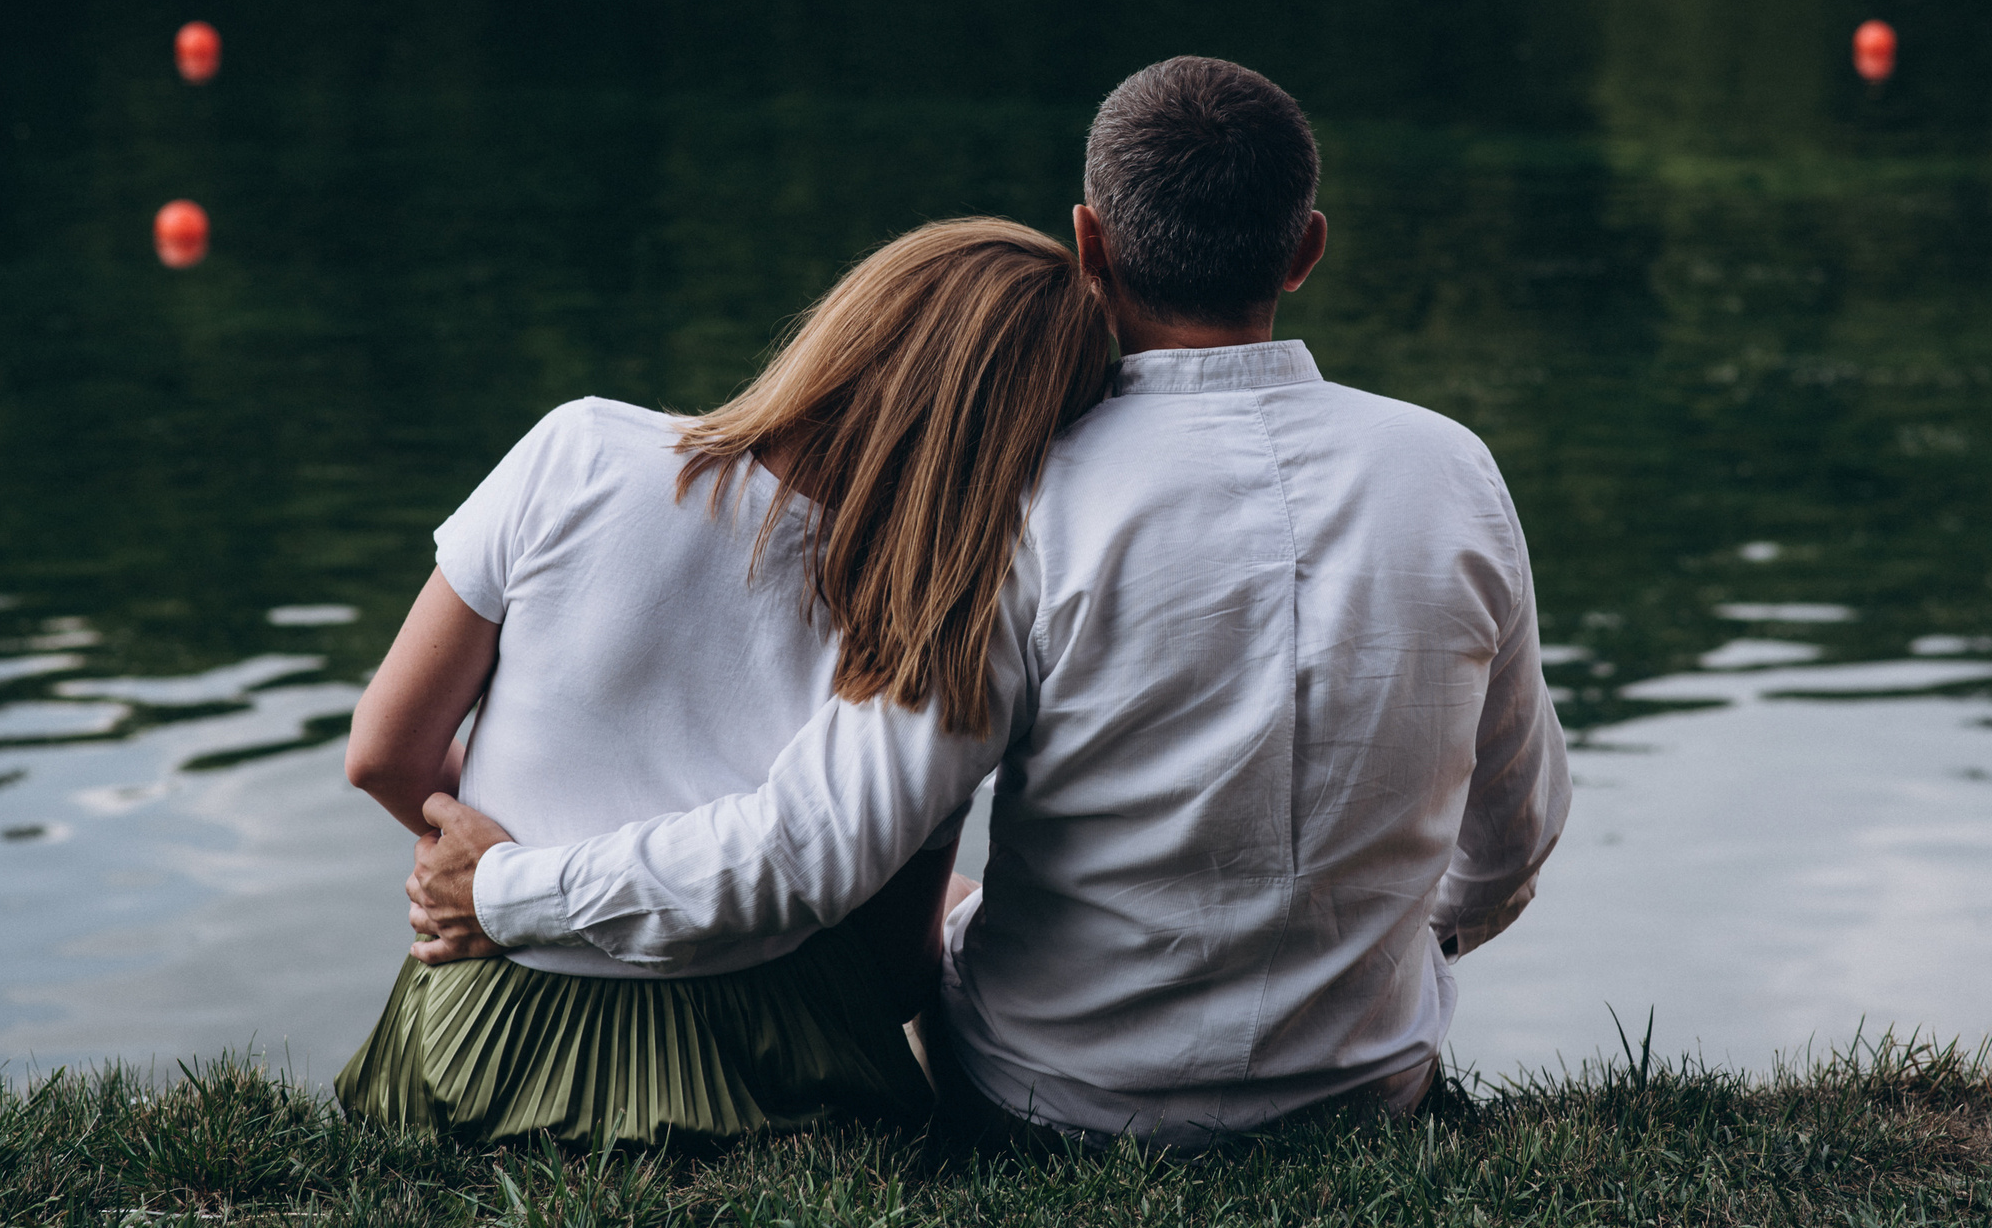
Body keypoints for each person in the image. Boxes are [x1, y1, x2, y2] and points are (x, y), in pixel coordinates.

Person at [406, 56, 1572, 1149]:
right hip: (1367, 1086)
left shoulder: (1017, 506)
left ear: (1088, 243)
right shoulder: (1454, 468)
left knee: (941, 909)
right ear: (1305, 247)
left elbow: (806, 852)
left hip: (1059, 1099)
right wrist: (1388, 944)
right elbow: (1512, 833)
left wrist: (502, 886)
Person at [335, 217, 1115, 1146]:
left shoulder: (578, 450)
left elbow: (383, 753)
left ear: (853, 320)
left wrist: (501, 870)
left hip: (479, 1051)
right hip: (764, 1082)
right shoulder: (935, 634)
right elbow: (893, 973)